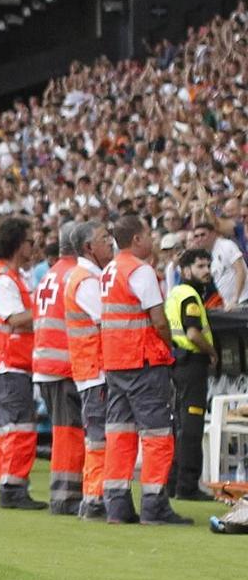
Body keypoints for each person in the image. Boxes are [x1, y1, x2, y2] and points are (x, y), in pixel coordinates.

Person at [100, 214, 192, 525]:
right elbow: (159, 320)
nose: (152, 239)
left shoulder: (110, 270)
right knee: (156, 434)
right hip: (143, 361)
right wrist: (171, 346)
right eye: (148, 234)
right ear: (137, 239)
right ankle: (154, 505)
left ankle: (117, 506)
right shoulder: (140, 271)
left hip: (115, 362)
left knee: (119, 434)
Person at [0, 217, 43, 511]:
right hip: (8, 362)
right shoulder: (4, 279)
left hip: (8, 362)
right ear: (18, 244)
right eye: (30, 242)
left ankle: (11, 484)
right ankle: (14, 487)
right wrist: (46, 310)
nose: (34, 246)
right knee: (18, 426)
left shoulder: (10, 276)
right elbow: (15, 319)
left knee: (11, 427)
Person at [32, 223, 84, 515]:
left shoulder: (50, 274)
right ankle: (66, 496)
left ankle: (65, 493)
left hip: (47, 364)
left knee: (64, 433)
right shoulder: (75, 275)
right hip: (65, 366)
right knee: (70, 435)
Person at [63, 220, 113, 520]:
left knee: (99, 437)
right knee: (100, 438)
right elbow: (107, 320)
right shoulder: (87, 281)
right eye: (104, 238)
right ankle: (95, 498)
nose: (110, 242)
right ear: (88, 248)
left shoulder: (83, 276)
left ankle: (96, 494)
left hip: (90, 368)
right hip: (97, 369)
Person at [168, 247, 216, 502]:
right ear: (186, 271)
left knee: (179, 425)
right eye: (200, 266)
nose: (206, 271)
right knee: (192, 426)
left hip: (178, 364)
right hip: (192, 364)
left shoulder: (176, 292)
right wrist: (212, 352)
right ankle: (187, 486)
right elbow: (193, 333)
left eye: (208, 265)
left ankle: (173, 482)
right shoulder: (190, 296)